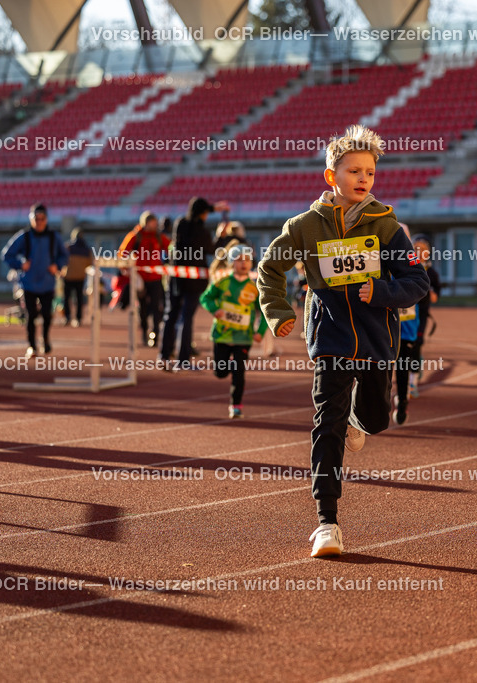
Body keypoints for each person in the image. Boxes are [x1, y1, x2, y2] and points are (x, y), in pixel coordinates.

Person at [257, 124, 429, 558]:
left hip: (375, 341)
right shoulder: (304, 227)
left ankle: (358, 419)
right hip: (330, 340)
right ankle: (326, 523)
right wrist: (279, 312)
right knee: (326, 425)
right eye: (354, 171)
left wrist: (381, 291)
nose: (363, 178)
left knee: (375, 419)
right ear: (331, 176)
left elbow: (417, 281)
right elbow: (270, 269)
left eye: (370, 172)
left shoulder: (387, 227)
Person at [158, 197, 228, 369]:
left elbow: (196, 211)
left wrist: (213, 208)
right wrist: (220, 236)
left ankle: (164, 356)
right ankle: (183, 360)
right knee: (186, 318)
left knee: (170, 315)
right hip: (194, 280)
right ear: (203, 214)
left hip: (176, 276)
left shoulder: (180, 223)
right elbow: (213, 250)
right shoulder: (202, 232)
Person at [199, 244, 267, 418]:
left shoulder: (254, 287)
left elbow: (264, 312)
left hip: (243, 337)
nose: (244, 263)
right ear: (231, 263)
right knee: (220, 372)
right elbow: (205, 298)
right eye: (239, 260)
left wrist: (260, 331)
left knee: (239, 373)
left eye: (247, 260)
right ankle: (231, 365)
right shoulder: (223, 282)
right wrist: (215, 309)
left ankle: (236, 406)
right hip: (221, 335)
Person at [2, 203, 68, 359]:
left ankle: (45, 339)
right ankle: (32, 345)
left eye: (42, 218)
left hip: (47, 283)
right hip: (28, 283)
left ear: (46, 219)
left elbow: (64, 255)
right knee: (31, 315)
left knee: (47, 315)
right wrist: (20, 264)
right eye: (36, 218)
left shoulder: (53, 237)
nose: (39, 222)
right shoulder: (24, 237)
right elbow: (6, 255)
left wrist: (57, 265)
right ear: (31, 219)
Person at [119, 211, 170, 347]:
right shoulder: (135, 236)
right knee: (142, 309)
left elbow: (171, 248)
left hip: (156, 278)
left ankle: (155, 334)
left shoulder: (159, 237)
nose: (155, 225)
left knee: (157, 307)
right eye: (153, 223)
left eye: (156, 223)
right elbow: (122, 252)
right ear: (145, 223)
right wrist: (125, 267)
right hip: (140, 279)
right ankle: (144, 332)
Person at [409, 232, 441, 397]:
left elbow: (435, 297)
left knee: (417, 343)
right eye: (416, 248)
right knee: (402, 347)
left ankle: (412, 381)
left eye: (423, 249)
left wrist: (428, 290)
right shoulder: (405, 268)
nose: (419, 252)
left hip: (421, 314)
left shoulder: (432, 273)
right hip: (404, 314)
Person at [63, 227, 93, 327]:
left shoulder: (68, 247)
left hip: (68, 276)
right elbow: (90, 263)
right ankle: (78, 318)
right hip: (80, 277)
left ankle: (67, 317)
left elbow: (62, 260)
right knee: (79, 299)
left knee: (67, 298)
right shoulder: (87, 250)